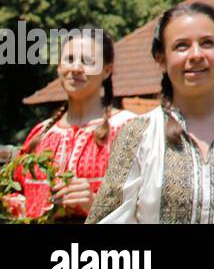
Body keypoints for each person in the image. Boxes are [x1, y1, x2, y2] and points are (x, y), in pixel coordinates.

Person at [88, 3, 214, 224]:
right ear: (160, 58)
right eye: (181, 46)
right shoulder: (139, 134)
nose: (196, 55)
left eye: (207, 43)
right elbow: (109, 220)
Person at [3, 32, 134, 222]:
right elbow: (16, 194)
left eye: (88, 61)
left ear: (107, 70)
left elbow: (148, 204)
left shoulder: (129, 129)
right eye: (70, 59)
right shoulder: (41, 134)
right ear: (59, 68)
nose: (76, 68)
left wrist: (94, 204)